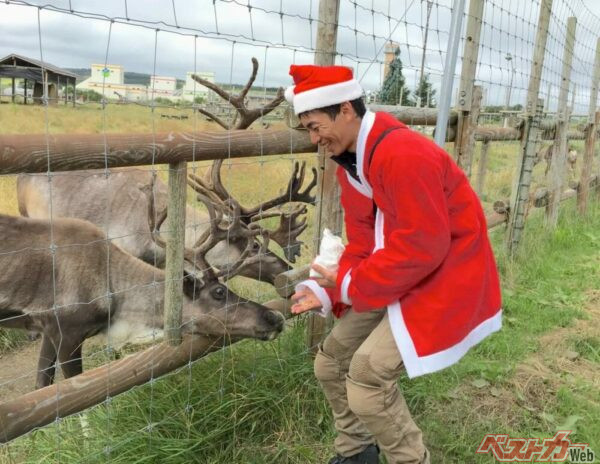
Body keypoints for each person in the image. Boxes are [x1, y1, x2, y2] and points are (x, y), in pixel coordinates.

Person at [287, 64, 502, 464]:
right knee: (331, 362)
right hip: (401, 273)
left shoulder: (403, 154)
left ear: (347, 110)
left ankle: (410, 459)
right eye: (309, 131)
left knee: (368, 377)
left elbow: (424, 245)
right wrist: (328, 287)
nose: (315, 140)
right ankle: (356, 453)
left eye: (317, 127)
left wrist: (351, 285)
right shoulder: (355, 163)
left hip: (446, 276)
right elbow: (365, 242)